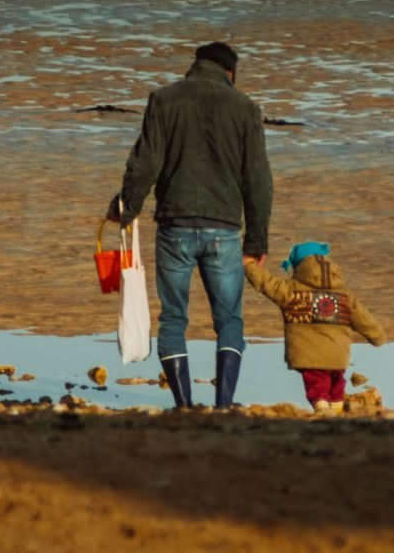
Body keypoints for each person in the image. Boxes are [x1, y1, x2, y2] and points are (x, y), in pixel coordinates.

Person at [106, 41, 272, 410]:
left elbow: (145, 163)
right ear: (231, 72)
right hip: (224, 229)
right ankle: (224, 405)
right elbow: (258, 179)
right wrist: (256, 240)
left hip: (174, 227)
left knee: (173, 319)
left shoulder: (164, 100)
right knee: (229, 320)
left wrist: (127, 206)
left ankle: (184, 406)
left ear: (196, 65)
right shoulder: (246, 109)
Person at [243, 241, 386, 413]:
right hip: (338, 356)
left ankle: (323, 410)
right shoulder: (344, 295)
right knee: (337, 384)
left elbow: (268, 283)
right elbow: (363, 318)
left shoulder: (291, 291)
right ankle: (337, 411)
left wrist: (249, 265)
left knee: (318, 387)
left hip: (310, 356)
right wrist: (377, 336)